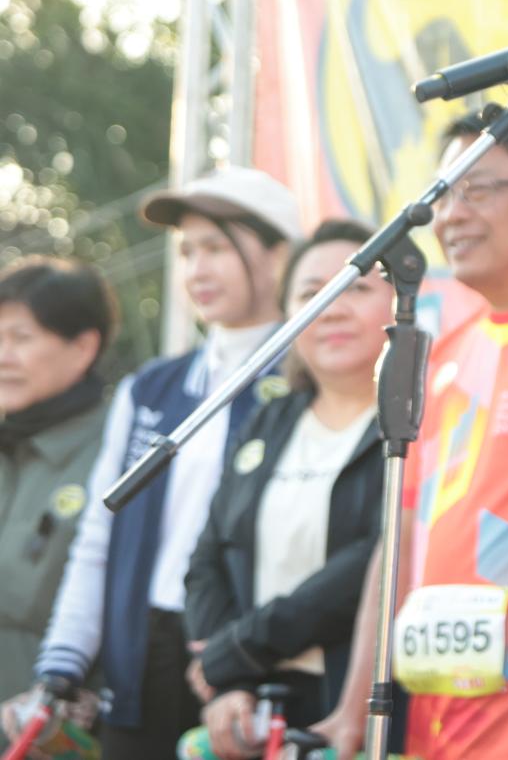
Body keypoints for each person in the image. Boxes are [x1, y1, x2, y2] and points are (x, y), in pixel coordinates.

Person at [1, 167, 300, 760]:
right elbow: (98, 539)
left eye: (217, 248)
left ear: (280, 255)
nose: (197, 270)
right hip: (142, 661)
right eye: (187, 252)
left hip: (249, 667)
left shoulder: (306, 382)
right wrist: (60, 669)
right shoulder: (152, 388)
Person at [314, 112, 508, 760]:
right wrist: (352, 710)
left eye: (477, 190)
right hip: (435, 718)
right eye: (443, 195)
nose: (451, 216)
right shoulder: (439, 357)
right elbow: (400, 537)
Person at [175, 220, 391, 760]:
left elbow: (373, 561)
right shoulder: (268, 420)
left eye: (356, 287)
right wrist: (231, 681)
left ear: (401, 301)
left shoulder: (418, 422)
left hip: (358, 703)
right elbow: (210, 556)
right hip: (255, 704)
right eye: (311, 293)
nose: (333, 308)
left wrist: (241, 648)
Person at [0, 258, 117, 728]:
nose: (4, 355)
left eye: (21, 338)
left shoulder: (119, 451)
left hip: (51, 734)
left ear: (83, 346)